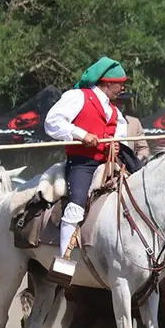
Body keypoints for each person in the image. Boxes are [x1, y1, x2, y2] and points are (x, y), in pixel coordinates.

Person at [43, 56, 129, 258]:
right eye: (121, 85)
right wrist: (82, 135)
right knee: (76, 205)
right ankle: (65, 259)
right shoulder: (78, 97)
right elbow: (52, 122)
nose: (122, 89)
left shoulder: (115, 112)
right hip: (83, 163)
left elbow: (122, 136)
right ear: (108, 83)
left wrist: (115, 146)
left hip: (110, 163)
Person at [114, 91, 150, 162]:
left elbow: (143, 148)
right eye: (117, 101)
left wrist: (136, 162)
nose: (120, 104)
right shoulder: (101, 120)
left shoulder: (134, 122)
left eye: (122, 101)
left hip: (131, 167)